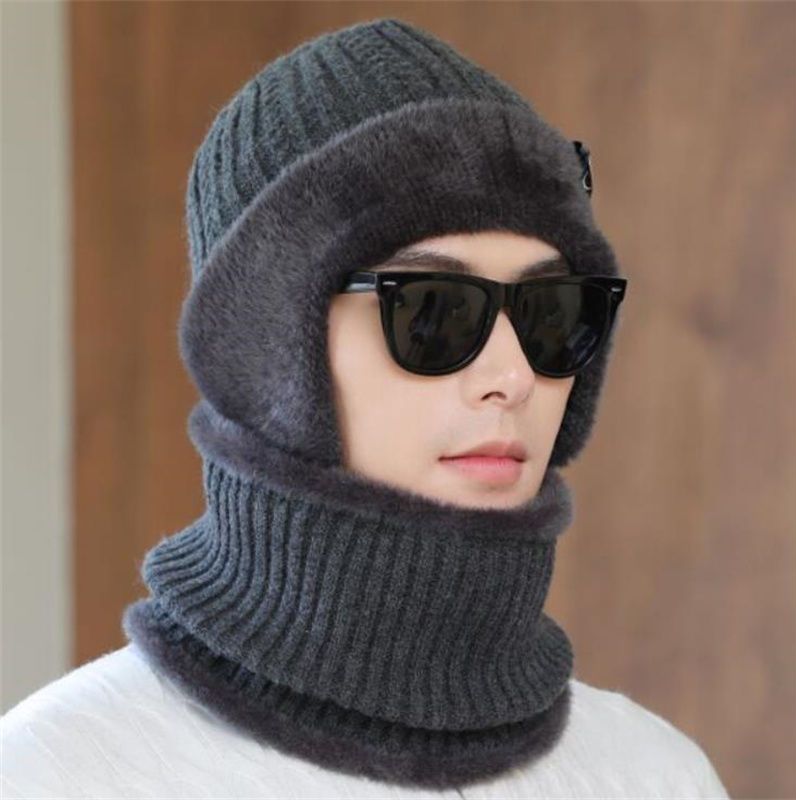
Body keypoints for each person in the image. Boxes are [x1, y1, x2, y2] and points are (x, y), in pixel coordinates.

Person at [1, 16, 729, 799]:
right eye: (433, 310)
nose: (514, 374)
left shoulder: (657, 776)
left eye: (551, 313)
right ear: (270, 348)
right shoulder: (59, 773)